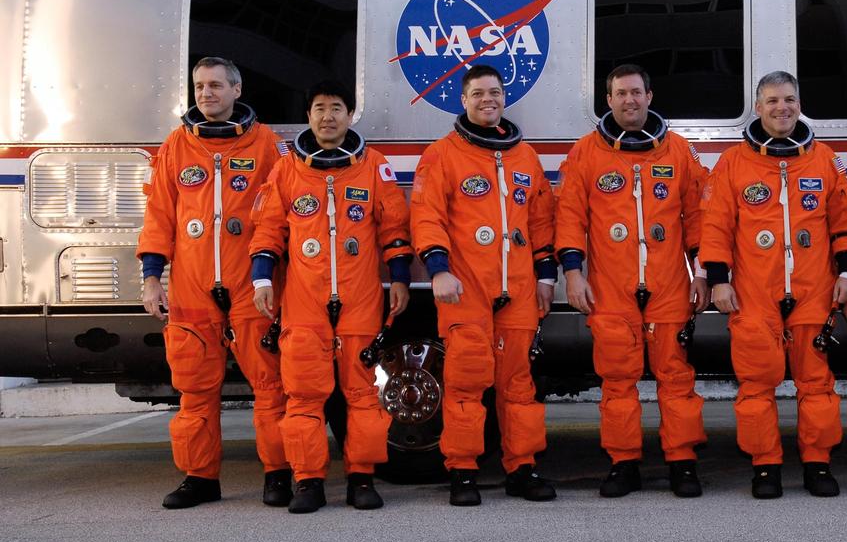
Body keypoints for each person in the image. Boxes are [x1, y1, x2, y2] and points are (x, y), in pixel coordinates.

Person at [249, 82, 411, 513]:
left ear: (350, 115)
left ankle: (361, 478)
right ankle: (308, 481)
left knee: (362, 395)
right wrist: (262, 280)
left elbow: (394, 230)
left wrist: (399, 280)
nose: (328, 117)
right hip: (303, 304)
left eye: (336, 108)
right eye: (319, 108)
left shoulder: (375, 168)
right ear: (308, 116)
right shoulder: (287, 171)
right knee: (303, 396)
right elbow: (269, 231)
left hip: (359, 301)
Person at [701, 71, 847, 499]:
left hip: (813, 289)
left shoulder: (826, 159)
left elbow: (846, 222)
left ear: (799, 103)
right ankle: (765, 466)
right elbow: (715, 226)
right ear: (757, 108)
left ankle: (818, 464)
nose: (781, 108)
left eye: (789, 99)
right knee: (756, 384)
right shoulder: (733, 163)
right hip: (754, 292)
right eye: (772, 101)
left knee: (816, 384)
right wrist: (718, 281)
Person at [139, 57, 291, 510]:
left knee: (271, 384)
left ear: (237, 90)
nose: (206, 94)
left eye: (216, 86)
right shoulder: (177, 146)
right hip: (192, 287)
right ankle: (200, 477)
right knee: (194, 388)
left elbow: (282, 212)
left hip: (252, 285)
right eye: (199, 86)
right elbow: (160, 216)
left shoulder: (265, 144)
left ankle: (278, 473)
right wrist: (151, 278)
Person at [556, 64, 709, 498]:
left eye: (636, 92)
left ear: (650, 96)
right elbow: (569, 217)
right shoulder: (586, 152)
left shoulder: (678, 151)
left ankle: (682, 462)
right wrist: (573, 274)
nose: (629, 100)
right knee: (618, 381)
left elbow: (699, 217)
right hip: (611, 288)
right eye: (621, 93)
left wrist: (702, 275)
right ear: (608, 100)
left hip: (669, 287)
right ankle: (623, 463)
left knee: (676, 377)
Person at [410, 64, 558, 507]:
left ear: (504, 97)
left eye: (494, 92)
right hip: (465, 287)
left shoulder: (524, 156)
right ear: (463, 99)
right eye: (478, 94)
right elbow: (426, 215)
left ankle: (523, 467)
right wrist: (438, 270)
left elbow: (541, 221)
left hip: (518, 288)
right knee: (465, 381)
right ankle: (463, 471)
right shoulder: (442, 154)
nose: (487, 100)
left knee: (518, 384)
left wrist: (546, 276)